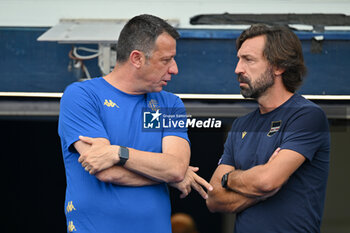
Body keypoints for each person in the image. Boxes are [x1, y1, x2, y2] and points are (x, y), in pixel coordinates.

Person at [58, 14, 212, 233]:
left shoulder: (169, 103)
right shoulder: (82, 95)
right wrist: (166, 177)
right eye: (166, 60)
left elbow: (176, 167)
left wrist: (118, 153)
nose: (174, 69)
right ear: (137, 58)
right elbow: (106, 171)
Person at [206, 24, 330, 233]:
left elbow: (267, 181)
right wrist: (261, 189)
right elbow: (213, 198)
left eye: (249, 59)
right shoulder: (241, 125)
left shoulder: (307, 116)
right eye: (239, 59)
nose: (238, 69)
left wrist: (230, 178)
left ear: (278, 66)